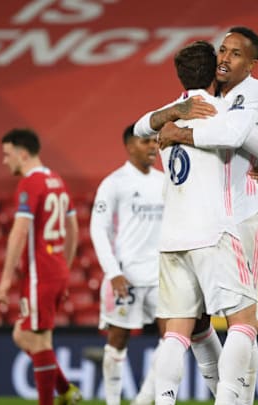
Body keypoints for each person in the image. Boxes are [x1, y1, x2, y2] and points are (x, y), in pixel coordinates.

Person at [133, 40, 258, 405]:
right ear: (214, 70)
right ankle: (230, 400)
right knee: (244, 322)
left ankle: (164, 400)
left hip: (172, 237)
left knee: (176, 334)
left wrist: (171, 116)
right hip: (215, 232)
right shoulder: (223, 115)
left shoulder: (166, 118)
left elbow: (139, 127)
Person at [0, 128, 82, 405]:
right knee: (25, 336)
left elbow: (19, 232)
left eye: (7, 154)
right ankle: (65, 390)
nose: (4, 161)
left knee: (36, 340)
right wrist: (65, 270)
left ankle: (57, 397)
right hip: (55, 268)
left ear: (22, 154)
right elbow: (73, 229)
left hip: (39, 273)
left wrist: (5, 279)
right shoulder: (57, 180)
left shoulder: (30, 184)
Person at [89, 124, 167, 405]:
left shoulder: (164, 181)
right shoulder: (114, 183)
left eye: (155, 142)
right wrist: (114, 272)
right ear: (130, 145)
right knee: (118, 341)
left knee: (171, 340)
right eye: (146, 142)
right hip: (128, 277)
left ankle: (143, 400)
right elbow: (99, 229)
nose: (153, 147)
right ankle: (112, 402)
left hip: (160, 276)